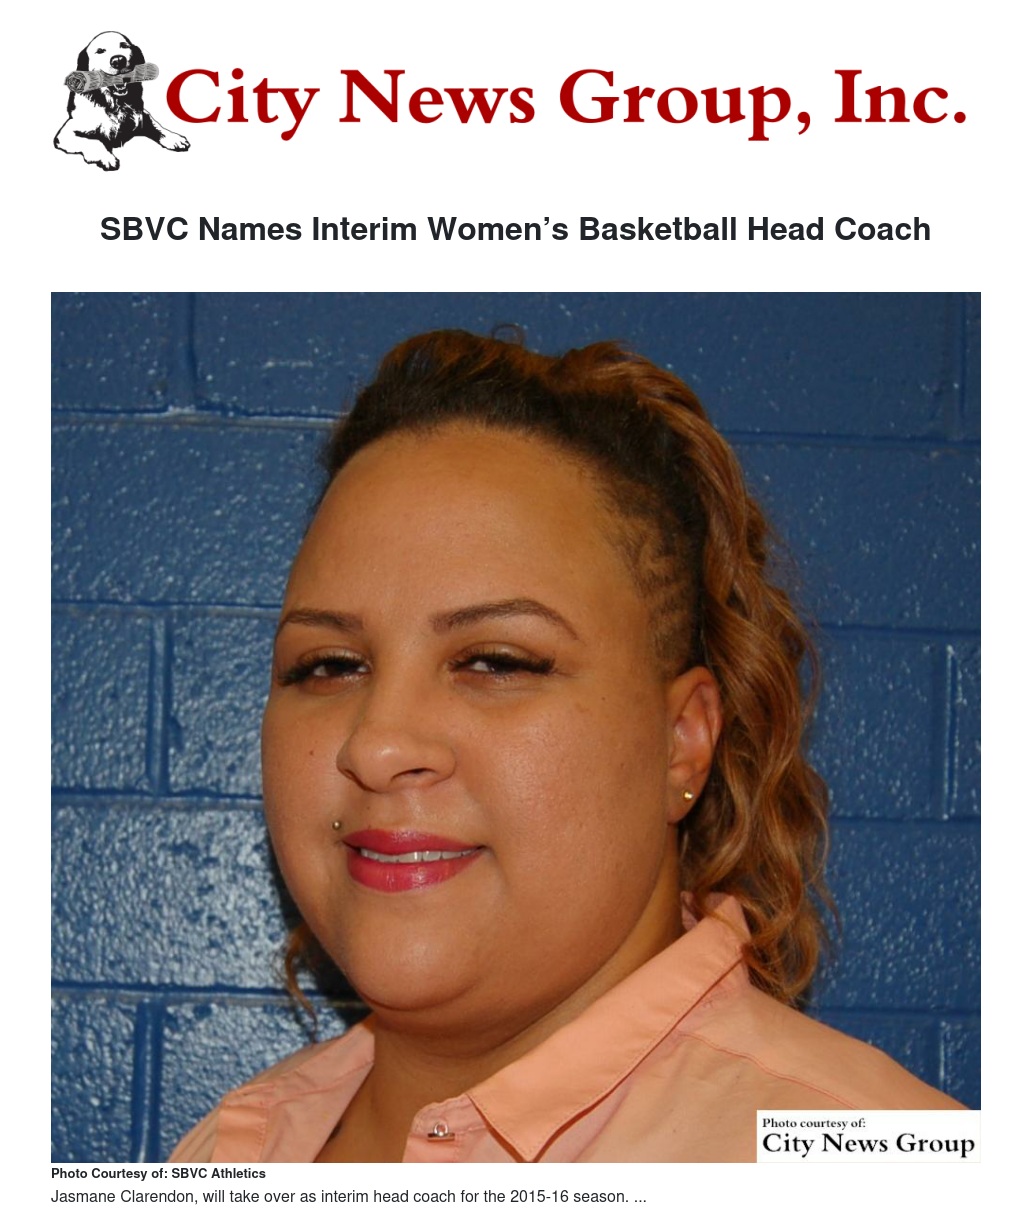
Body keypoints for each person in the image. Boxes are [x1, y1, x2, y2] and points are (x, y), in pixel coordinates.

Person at [171, 329, 961, 1164]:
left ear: (682, 741)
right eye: (328, 665)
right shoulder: (230, 1148)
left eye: (495, 661)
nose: (377, 744)